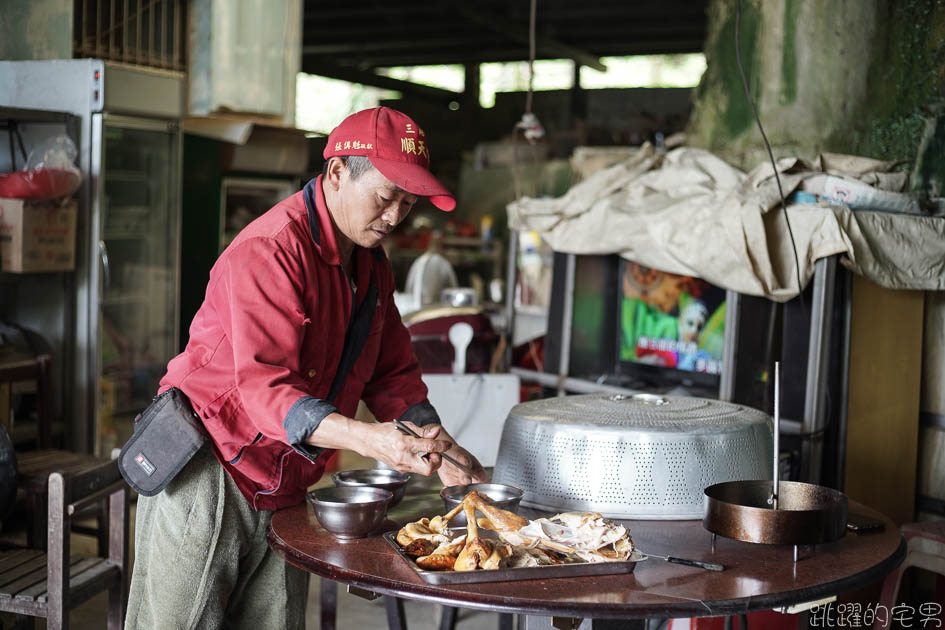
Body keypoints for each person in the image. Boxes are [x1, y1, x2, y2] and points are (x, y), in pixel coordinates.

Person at [125, 107, 488, 629]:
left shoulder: (372, 266)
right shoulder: (271, 250)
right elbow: (268, 391)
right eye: (386, 197)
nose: (394, 217)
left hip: (287, 479)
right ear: (338, 172)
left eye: (408, 205)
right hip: (210, 468)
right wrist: (373, 440)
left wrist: (440, 445)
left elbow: (392, 373)